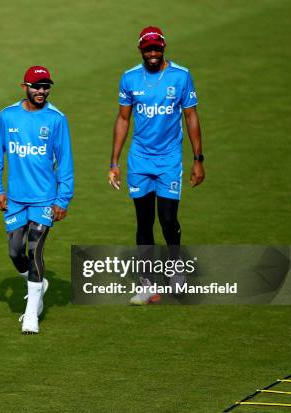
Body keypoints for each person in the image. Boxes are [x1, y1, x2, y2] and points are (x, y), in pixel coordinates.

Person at [108, 27, 205, 305]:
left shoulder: (181, 76)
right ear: (140, 50)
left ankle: (175, 270)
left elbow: (191, 117)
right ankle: (146, 282)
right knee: (143, 221)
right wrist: (114, 162)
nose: (153, 54)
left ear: (163, 48)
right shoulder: (129, 78)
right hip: (140, 160)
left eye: (157, 49)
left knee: (167, 219)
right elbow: (123, 119)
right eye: (148, 49)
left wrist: (198, 159)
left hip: (169, 161)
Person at [0, 66, 74, 334]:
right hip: (15, 199)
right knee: (15, 251)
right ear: (24, 85)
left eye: (46, 86)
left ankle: (30, 315)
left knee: (35, 249)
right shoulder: (7, 116)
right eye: (36, 86)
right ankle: (38, 285)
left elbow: (66, 162)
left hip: (44, 199)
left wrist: (63, 199)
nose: (41, 91)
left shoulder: (57, 119)